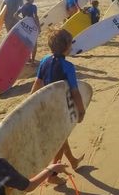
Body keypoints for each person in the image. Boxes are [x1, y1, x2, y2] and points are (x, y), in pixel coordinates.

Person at [31, 29, 86, 172]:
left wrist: (30, 103)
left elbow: (37, 83)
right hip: (59, 108)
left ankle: (73, 161)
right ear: (67, 47)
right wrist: (81, 110)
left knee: (62, 136)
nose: (72, 47)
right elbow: (75, 92)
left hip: (45, 105)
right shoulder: (68, 67)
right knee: (60, 139)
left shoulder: (44, 61)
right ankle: (53, 174)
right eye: (71, 44)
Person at [17, 0, 40, 64]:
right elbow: (36, 17)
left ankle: (28, 59)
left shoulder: (22, 7)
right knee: (34, 44)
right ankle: (32, 61)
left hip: (24, 28)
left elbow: (14, 15)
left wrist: (23, 21)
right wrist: (39, 27)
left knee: (26, 43)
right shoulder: (33, 7)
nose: (33, 0)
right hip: (32, 27)